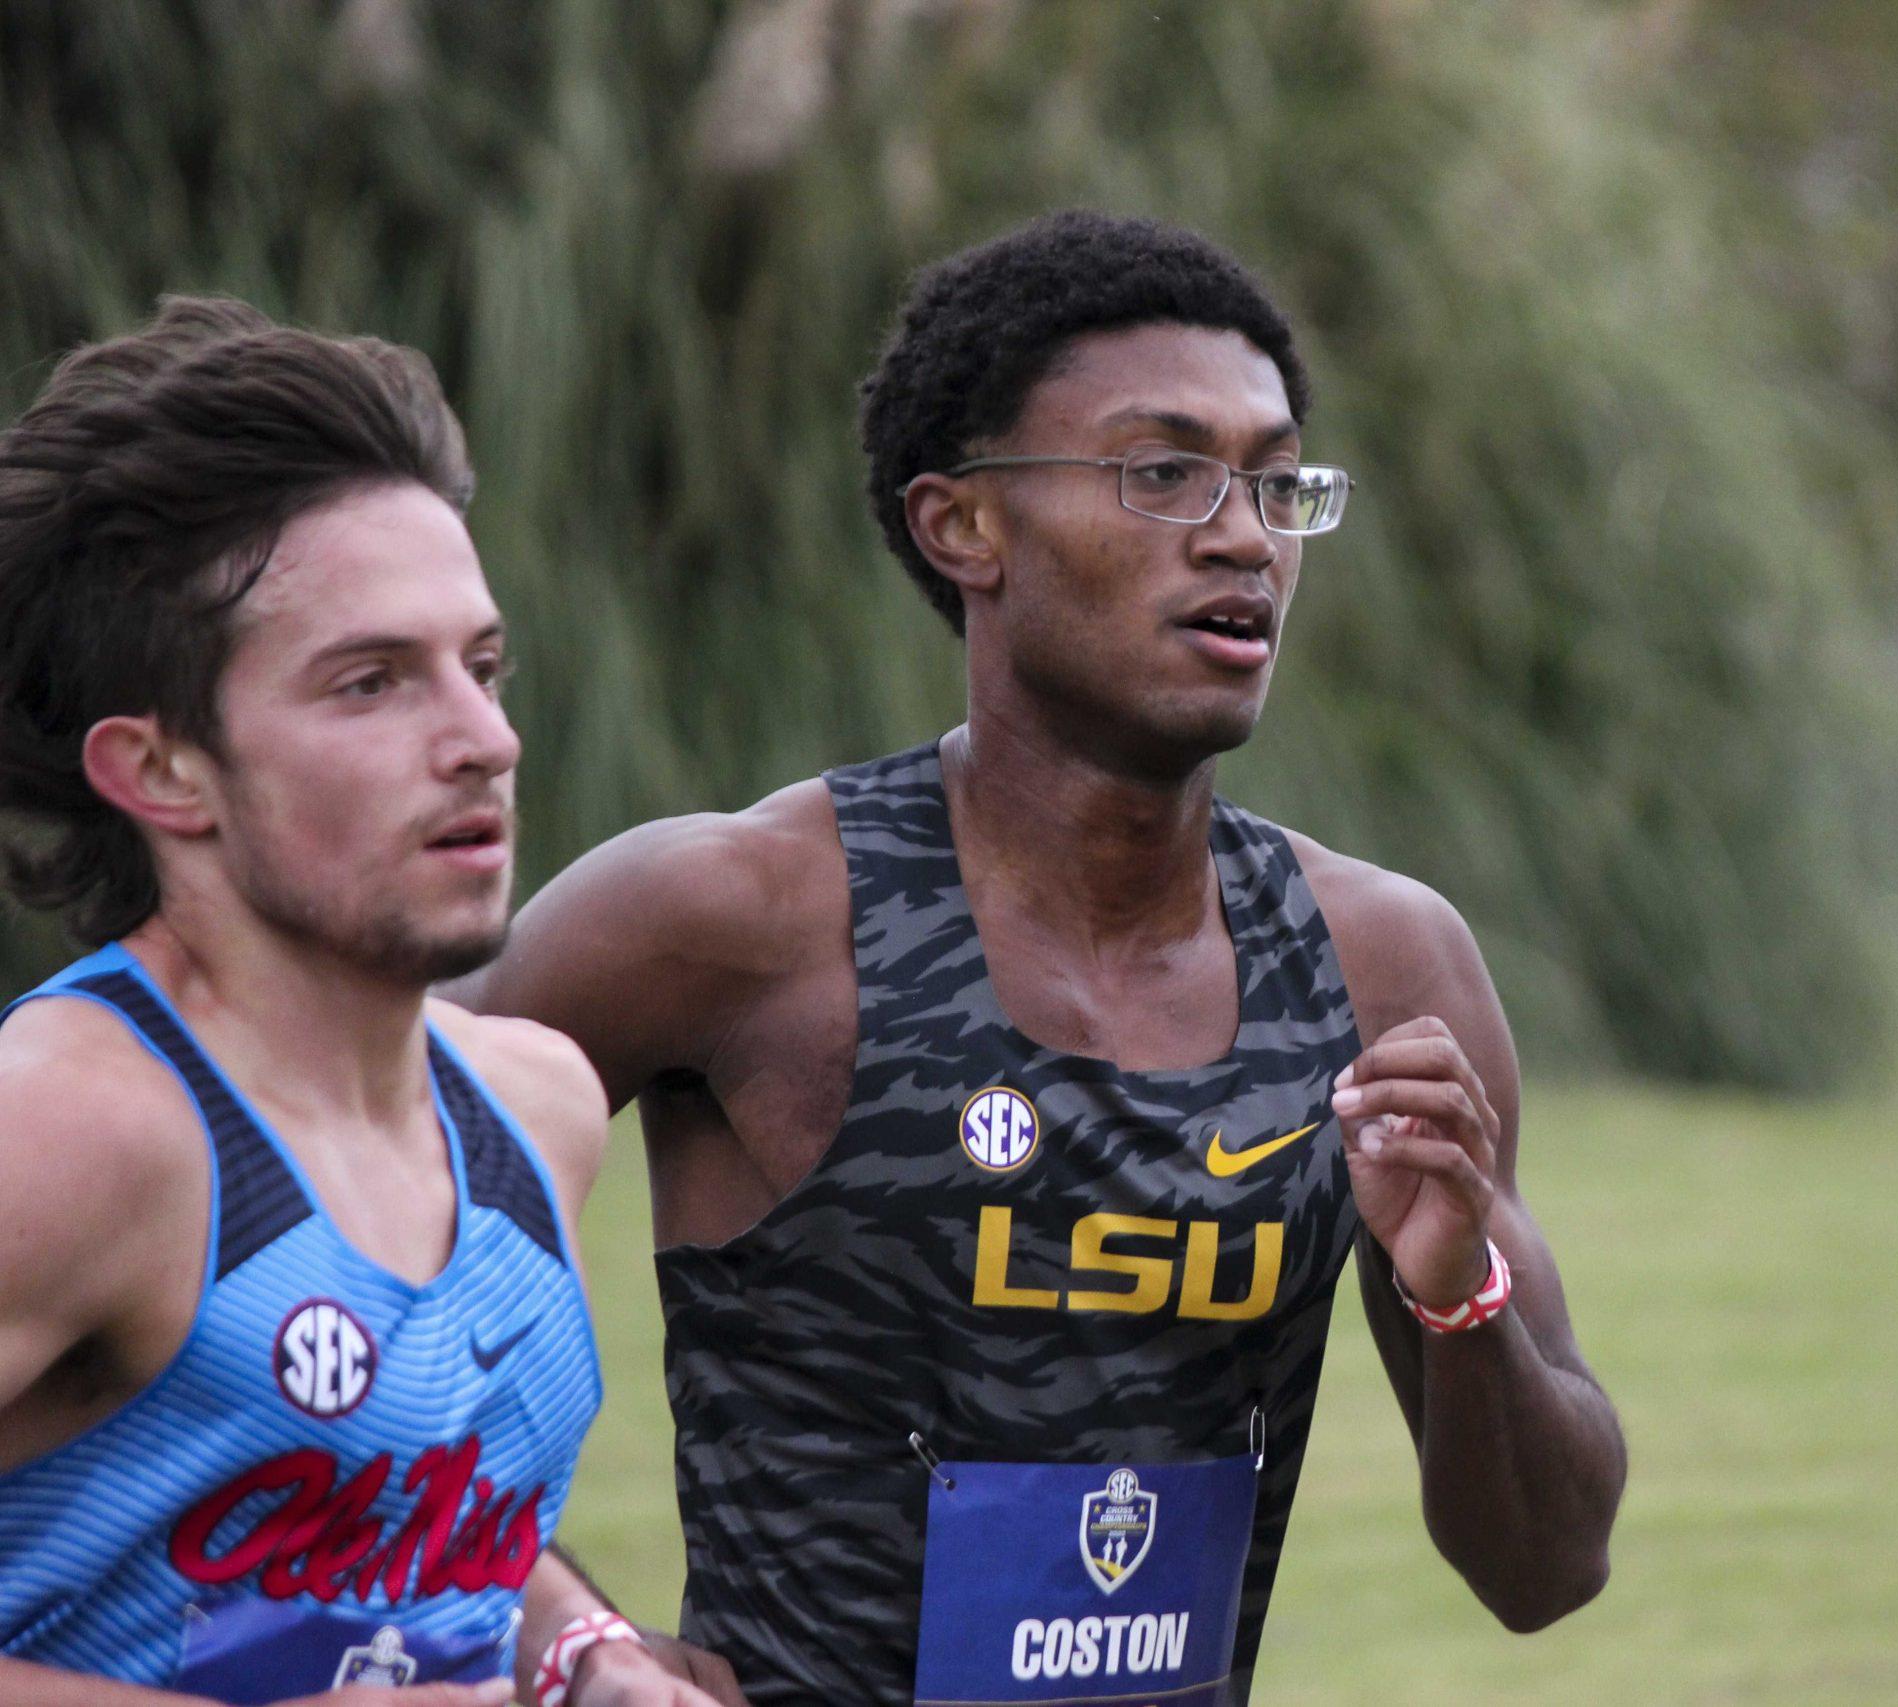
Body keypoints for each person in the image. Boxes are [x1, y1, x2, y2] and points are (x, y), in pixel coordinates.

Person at [455, 210, 1627, 1706]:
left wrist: (1460, 1297)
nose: (1242, 534)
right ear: (964, 526)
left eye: (1277, 482)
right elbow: (330, 1271)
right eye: (1163, 472)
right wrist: (579, 1635)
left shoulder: (1379, 964)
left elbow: (1548, 1570)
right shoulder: (731, 916)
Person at [0, 298, 731, 1707]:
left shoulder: (537, 1104)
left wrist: (582, 1654)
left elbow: (414, 1501)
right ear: (163, 775)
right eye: (371, 683)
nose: (483, 741)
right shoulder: (78, 1128)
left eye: (484, 665)